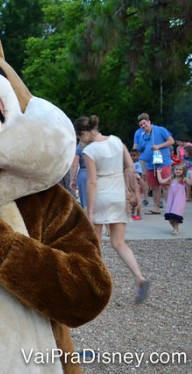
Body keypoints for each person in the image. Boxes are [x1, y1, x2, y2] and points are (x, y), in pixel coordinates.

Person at [74, 115, 150, 304]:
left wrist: (89, 211)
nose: (80, 141)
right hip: (118, 196)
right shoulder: (116, 141)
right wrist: (134, 194)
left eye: (79, 137)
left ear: (84, 133)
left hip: (101, 196)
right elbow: (131, 168)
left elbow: (92, 182)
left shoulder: (90, 150)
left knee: (95, 245)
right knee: (119, 242)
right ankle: (140, 278)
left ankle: (97, 287)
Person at [134, 113, 174, 215]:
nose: (143, 126)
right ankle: (156, 208)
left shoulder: (160, 130)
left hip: (163, 162)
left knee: (165, 185)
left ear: (149, 121)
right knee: (155, 186)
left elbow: (171, 141)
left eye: (144, 123)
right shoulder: (142, 135)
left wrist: (159, 146)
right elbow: (140, 148)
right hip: (150, 164)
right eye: (141, 125)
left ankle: (171, 208)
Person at [156, 163, 192, 236]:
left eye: (180, 169)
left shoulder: (184, 179)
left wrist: (191, 174)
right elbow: (161, 181)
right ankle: (175, 228)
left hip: (179, 200)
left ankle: (175, 229)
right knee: (170, 218)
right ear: (173, 170)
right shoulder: (172, 178)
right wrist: (158, 173)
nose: (178, 171)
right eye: (176, 169)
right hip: (171, 199)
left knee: (175, 215)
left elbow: (190, 183)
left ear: (183, 171)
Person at [70, 142, 88, 207]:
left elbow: (74, 166)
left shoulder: (79, 147)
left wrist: (72, 180)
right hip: (97, 173)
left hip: (83, 175)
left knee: (85, 201)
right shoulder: (97, 144)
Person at [129, 149, 144, 220]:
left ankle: (138, 214)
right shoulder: (128, 164)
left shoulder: (137, 164)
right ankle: (132, 212)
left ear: (138, 156)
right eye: (131, 156)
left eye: (134, 156)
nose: (133, 157)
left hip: (136, 184)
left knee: (138, 200)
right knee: (132, 199)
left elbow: (140, 175)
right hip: (130, 184)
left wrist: (140, 183)